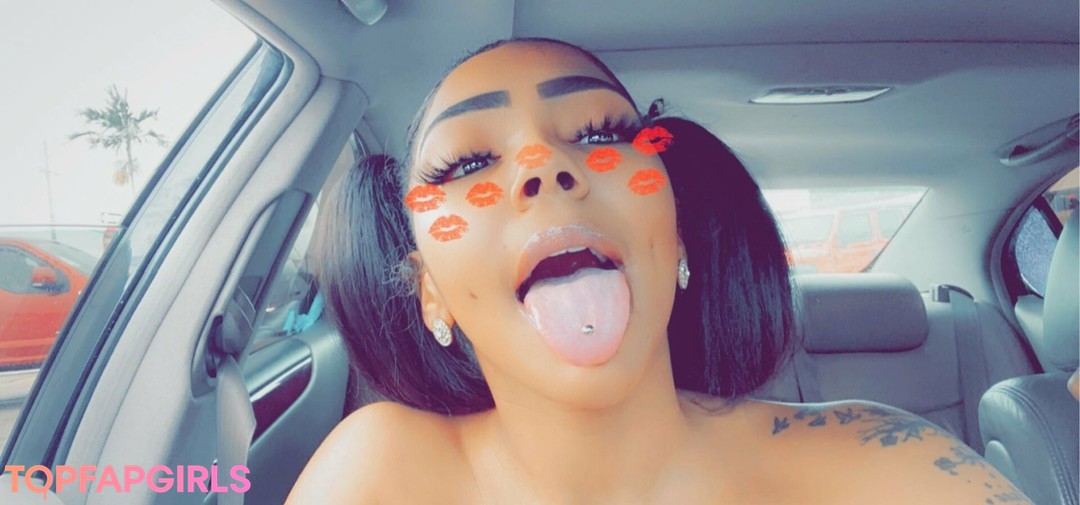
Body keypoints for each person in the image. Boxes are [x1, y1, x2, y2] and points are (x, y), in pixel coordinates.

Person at [286, 38, 1032, 504]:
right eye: (469, 162)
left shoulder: (881, 468)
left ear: (674, 239)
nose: (543, 165)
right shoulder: (382, 472)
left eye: (600, 132)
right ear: (431, 293)